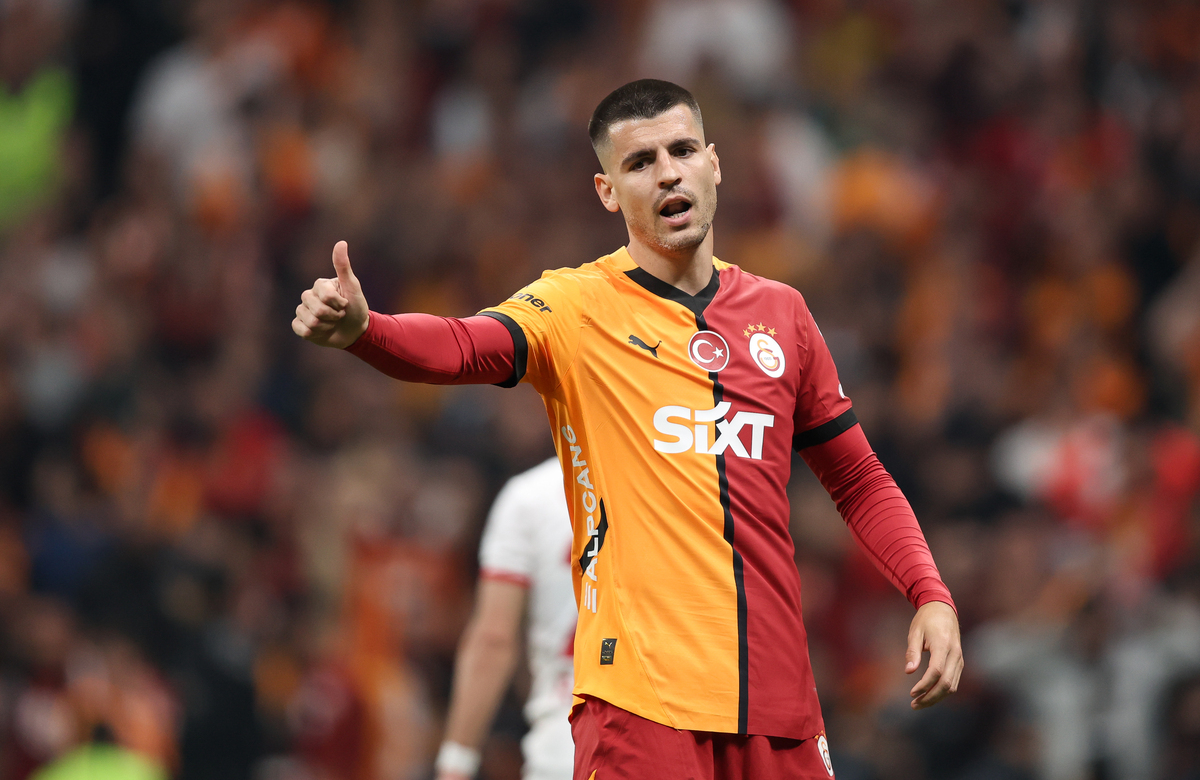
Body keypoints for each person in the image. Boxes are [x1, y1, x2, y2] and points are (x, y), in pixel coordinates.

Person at [293, 79, 963, 780]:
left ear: (714, 163)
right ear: (608, 192)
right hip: (641, 706)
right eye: (640, 162)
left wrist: (930, 593)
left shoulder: (783, 314)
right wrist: (367, 331)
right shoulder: (574, 307)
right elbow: (463, 346)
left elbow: (857, 478)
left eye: (682, 150)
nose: (668, 172)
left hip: (780, 709)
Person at [436, 458, 576, 780]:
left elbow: (493, 638)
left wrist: (455, 762)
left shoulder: (530, 495)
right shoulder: (676, 477)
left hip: (564, 736)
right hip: (657, 733)